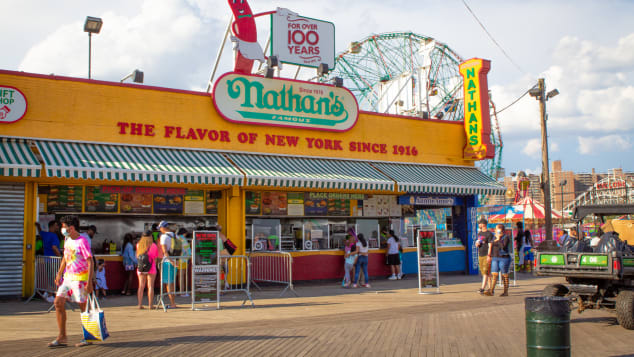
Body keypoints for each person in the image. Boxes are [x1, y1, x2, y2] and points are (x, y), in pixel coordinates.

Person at [48, 215, 94, 348]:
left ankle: (88, 336)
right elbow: (65, 257)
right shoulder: (67, 239)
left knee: (83, 307)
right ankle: (62, 337)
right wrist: (59, 273)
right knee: (58, 302)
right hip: (67, 278)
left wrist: (90, 282)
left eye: (64, 227)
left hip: (80, 279)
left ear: (71, 228)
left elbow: (90, 261)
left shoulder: (82, 242)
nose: (62, 229)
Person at [136, 231, 161, 309]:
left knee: (141, 286)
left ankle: (140, 304)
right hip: (151, 267)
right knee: (150, 286)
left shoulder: (138, 245)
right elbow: (156, 258)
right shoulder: (153, 245)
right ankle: (150, 305)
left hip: (141, 267)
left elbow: (137, 256)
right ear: (151, 236)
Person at [485, 224, 512, 297]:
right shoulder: (494, 237)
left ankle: (505, 292)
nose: (495, 230)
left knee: (504, 274)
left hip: (504, 257)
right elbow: (491, 245)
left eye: (497, 229)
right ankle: (491, 290)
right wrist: (489, 255)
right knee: (494, 274)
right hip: (495, 257)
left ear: (501, 230)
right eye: (495, 229)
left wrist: (499, 239)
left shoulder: (506, 237)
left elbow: (503, 247)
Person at [158, 221, 177, 308]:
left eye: (160, 228)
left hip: (167, 262)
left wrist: (170, 260)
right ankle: (173, 302)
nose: (160, 230)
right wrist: (174, 261)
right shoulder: (175, 235)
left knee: (168, 284)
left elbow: (164, 251)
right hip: (175, 261)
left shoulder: (164, 237)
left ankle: (172, 303)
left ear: (164, 227)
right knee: (172, 283)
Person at [476, 218, 493, 294]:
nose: (479, 225)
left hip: (486, 254)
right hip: (480, 254)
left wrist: (489, 255)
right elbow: (478, 243)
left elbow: (490, 245)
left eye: (479, 223)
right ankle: (490, 288)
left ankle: (482, 288)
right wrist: (477, 244)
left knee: (485, 272)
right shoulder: (479, 233)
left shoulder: (489, 234)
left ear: (483, 224)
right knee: (485, 272)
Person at [175, 228, 191, 295]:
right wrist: (190, 256)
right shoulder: (183, 239)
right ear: (183, 233)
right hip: (183, 260)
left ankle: (176, 291)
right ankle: (182, 292)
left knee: (177, 276)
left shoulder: (174, 238)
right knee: (182, 276)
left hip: (175, 259)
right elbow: (188, 250)